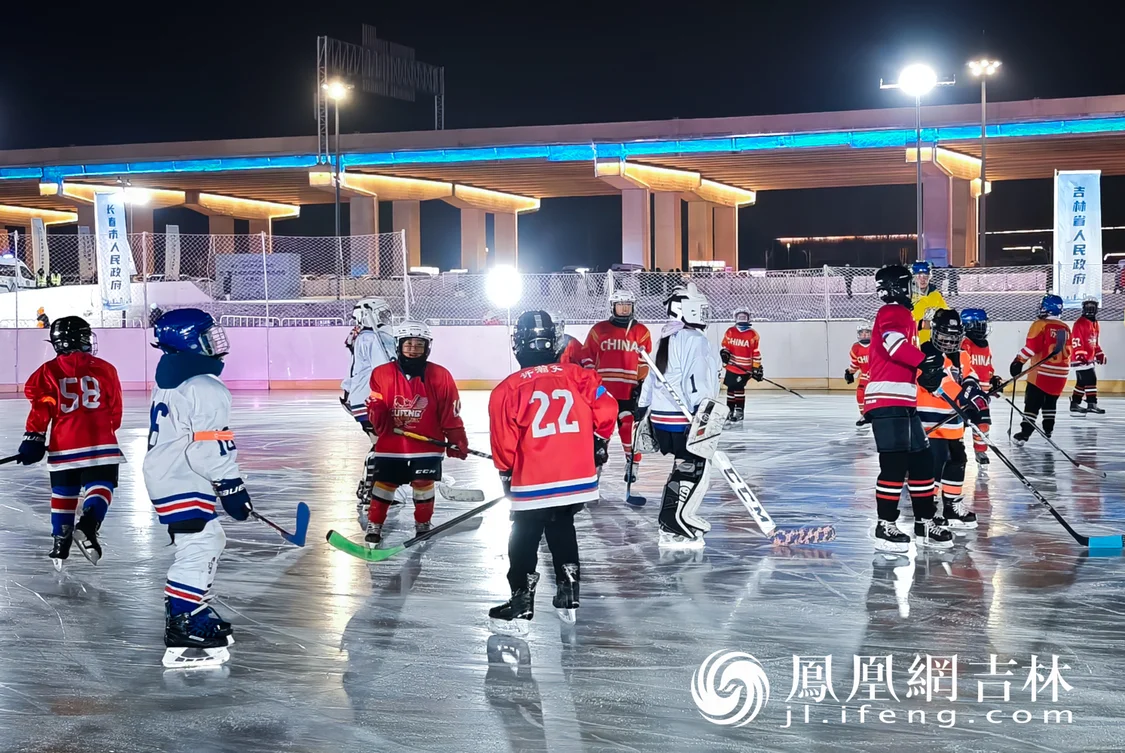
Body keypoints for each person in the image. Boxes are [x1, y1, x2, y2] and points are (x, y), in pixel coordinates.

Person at [487, 311, 617, 635]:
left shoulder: (507, 389)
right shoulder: (580, 376)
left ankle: (521, 598)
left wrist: (505, 474)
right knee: (562, 526)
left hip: (534, 479)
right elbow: (609, 408)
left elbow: (504, 442)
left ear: (518, 343)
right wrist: (599, 441)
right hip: (577, 478)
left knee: (524, 533)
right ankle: (568, 592)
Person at [145, 309, 246, 669]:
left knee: (205, 540)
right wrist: (231, 485)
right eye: (208, 335)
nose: (216, 341)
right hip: (183, 477)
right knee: (200, 544)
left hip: (169, 475)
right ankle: (184, 623)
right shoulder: (205, 386)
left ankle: (191, 609)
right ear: (189, 341)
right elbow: (207, 447)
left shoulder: (173, 378)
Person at [16, 316, 124, 570]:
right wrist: (106, 430)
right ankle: (88, 525)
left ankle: (60, 540)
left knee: (64, 492)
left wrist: (34, 437)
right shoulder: (106, 369)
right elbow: (115, 410)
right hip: (101, 441)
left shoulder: (46, 372)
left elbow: (42, 408)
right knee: (101, 484)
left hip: (64, 443)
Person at [866, 264, 951, 553]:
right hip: (887, 401)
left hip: (903, 401)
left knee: (922, 462)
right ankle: (885, 525)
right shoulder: (893, 311)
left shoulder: (905, 314)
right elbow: (893, 345)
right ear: (899, 287)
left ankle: (924, 521)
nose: (914, 289)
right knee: (894, 465)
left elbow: (901, 356)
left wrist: (924, 371)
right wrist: (923, 362)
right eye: (909, 284)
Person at [363, 321, 468, 545]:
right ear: (398, 345)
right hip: (393, 444)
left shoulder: (441, 375)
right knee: (384, 484)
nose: (413, 348)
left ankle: (423, 526)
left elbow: (449, 410)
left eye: (419, 344)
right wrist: (377, 410)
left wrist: (456, 435)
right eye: (408, 343)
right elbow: (376, 402)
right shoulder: (381, 374)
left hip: (427, 445)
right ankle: (375, 525)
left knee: (423, 484)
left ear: (427, 347)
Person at [636, 283, 721, 549]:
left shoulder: (667, 336)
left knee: (683, 465)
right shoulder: (694, 340)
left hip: (662, 420)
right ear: (688, 309)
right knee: (696, 467)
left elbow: (651, 379)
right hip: (685, 420)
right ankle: (676, 522)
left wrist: (643, 408)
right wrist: (702, 413)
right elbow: (696, 381)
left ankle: (672, 519)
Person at [916, 310, 987, 530]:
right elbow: (941, 384)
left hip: (954, 424)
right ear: (935, 333)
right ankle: (931, 508)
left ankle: (952, 505)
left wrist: (973, 389)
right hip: (931, 423)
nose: (948, 342)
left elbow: (971, 375)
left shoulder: (962, 355)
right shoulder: (926, 354)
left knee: (957, 461)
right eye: (945, 336)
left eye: (954, 338)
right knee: (935, 465)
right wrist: (963, 396)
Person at [582, 289, 652, 481]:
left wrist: (640, 386)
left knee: (628, 427)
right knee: (598, 432)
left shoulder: (641, 332)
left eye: (628, 305)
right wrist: (591, 382)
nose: (624, 308)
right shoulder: (599, 329)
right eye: (620, 305)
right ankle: (594, 469)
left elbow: (644, 362)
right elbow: (586, 355)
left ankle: (632, 464)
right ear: (612, 306)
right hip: (603, 393)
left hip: (627, 392)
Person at [341, 297, 397, 519]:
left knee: (382, 442)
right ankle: (372, 489)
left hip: (360, 399)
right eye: (381, 314)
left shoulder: (362, 337)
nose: (385, 318)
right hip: (371, 400)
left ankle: (375, 486)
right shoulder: (373, 338)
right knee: (383, 443)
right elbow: (384, 370)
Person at [1010, 294, 1072, 446]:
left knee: (1032, 403)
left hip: (1041, 373)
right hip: (1061, 374)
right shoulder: (1065, 327)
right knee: (1051, 402)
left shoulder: (1040, 324)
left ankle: (1025, 433)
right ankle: (1048, 428)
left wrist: (1018, 361)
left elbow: (1032, 347)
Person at [961, 308, 1001, 465]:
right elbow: (964, 368)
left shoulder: (985, 345)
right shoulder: (964, 343)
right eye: (980, 325)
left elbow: (988, 367)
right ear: (970, 326)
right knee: (960, 424)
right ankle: (957, 449)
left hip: (982, 397)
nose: (984, 328)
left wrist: (993, 380)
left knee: (983, 424)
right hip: (967, 394)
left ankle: (980, 451)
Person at [719, 307, 762, 422]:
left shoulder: (753, 334)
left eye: (744, 317)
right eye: (740, 316)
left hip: (744, 368)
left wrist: (756, 367)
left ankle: (739, 410)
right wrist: (724, 356)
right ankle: (730, 409)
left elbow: (756, 352)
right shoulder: (730, 331)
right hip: (732, 366)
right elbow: (725, 347)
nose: (742, 319)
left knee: (738, 389)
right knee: (730, 389)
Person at [1070, 297, 1107, 415]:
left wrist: (1099, 353)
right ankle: (1092, 403)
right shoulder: (1079, 323)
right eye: (1088, 307)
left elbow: (1094, 341)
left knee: (1082, 382)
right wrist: (1080, 354)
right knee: (1091, 379)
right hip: (1080, 359)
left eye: (1093, 307)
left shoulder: (1095, 323)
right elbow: (1075, 340)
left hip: (1089, 359)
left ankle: (1075, 403)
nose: (1090, 310)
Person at [909, 260, 948, 344]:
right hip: (912, 344)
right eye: (919, 276)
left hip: (932, 343)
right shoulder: (907, 297)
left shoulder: (935, 294)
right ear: (913, 277)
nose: (923, 279)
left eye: (925, 276)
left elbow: (946, 313)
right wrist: (923, 324)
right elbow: (902, 323)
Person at [844, 322, 872, 427]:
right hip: (864, 376)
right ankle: (864, 414)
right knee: (860, 395)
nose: (864, 335)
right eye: (862, 332)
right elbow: (855, 363)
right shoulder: (855, 347)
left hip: (877, 377)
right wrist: (850, 371)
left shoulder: (876, 345)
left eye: (867, 332)